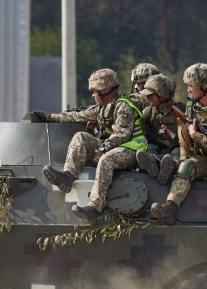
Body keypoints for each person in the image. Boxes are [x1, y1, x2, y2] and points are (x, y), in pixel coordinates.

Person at [35, 68, 148, 222]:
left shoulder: (123, 106)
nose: (93, 95)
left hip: (132, 148)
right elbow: (76, 116)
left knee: (106, 160)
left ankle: (94, 207)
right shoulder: (104, 107)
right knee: (81, 137)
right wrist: (48, 117)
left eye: (95, 91)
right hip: (115, 147)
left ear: (105, 90)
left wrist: (102, 149)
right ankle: (68, 176)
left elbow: (122, 135)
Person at [150, 63, 207, 225]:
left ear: (204, 87)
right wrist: (184, 158)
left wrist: (195, 135)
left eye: (191, 86)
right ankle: (170, 208)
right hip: (206, 160)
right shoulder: (192, 107)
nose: (188, 89)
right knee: (186, 166)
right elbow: (184, 139)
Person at [134, 73, 179, 185]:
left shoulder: (180, 111)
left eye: (150, 95)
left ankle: (169, 166)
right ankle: (154, 164)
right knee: (148, 149)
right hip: (156, 149)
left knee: (177, 153)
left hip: (175, 150)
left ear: (162, 95)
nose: (147, 98)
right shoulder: (149, 112)